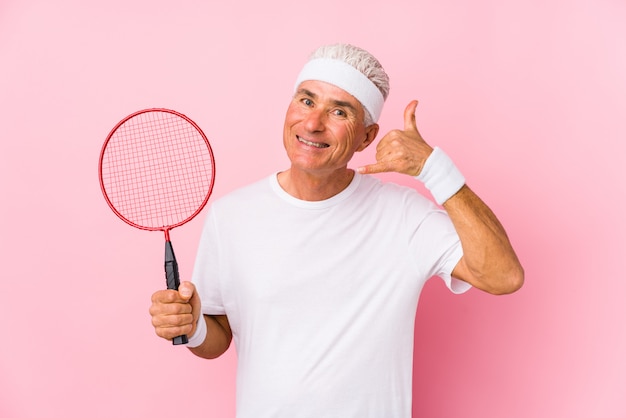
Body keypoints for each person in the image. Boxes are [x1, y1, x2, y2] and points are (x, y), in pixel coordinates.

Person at [149, 43, 524, 417]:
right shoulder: (231, 216)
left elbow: (504, 276)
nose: (313, 123)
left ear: (366, 136)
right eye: (307, 101)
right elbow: (218, 334)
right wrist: (193, 325)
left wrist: (434, 168)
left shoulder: (404, 216)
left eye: (339, 111)